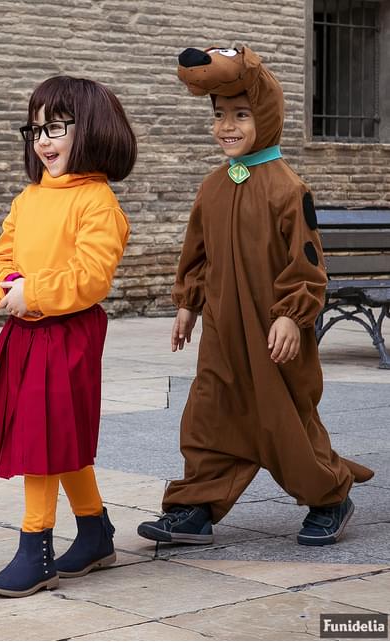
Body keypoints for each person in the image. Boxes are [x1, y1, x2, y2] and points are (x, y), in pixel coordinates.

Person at [137, 46, 374, 548]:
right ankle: (194, 508)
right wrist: (187, 305)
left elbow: (307, 261)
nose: (228, 126)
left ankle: (330, 495)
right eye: (219, 115)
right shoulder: (212, 187)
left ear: (265, 116)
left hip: (274, 334)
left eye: (241, 115)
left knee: (283, 418)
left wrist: (292, 314)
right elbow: (196, 255)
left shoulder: (288, 188)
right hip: (223, 331)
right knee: (209, 411)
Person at [0, 76, 136, 597]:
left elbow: (91, 276)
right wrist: (7, 287)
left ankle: (34, 546)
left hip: (68, 333)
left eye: (55, 127)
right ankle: (94, 532)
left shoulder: (97, 203)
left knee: (41, 439)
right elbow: (3, 254)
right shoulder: (29, 199)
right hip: (24, 331)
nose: (42, 140)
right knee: (54, 433)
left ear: (93, 130)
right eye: (35, 129)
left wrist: (35, 293)